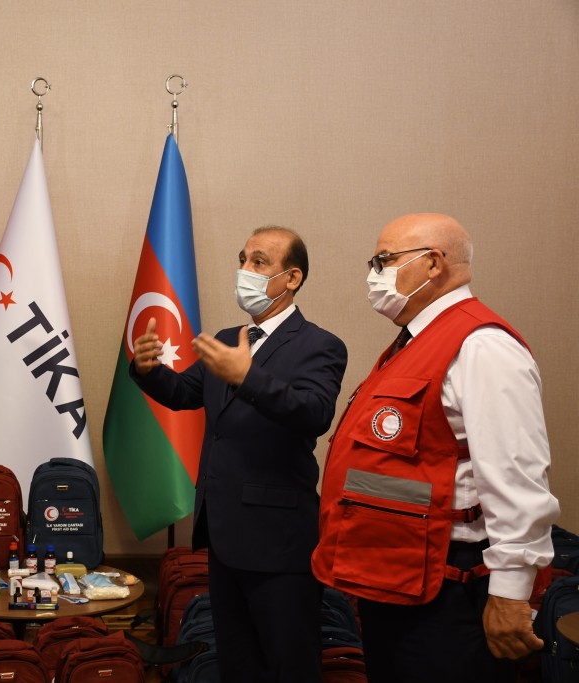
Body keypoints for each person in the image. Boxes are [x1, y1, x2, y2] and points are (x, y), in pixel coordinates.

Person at [312, 213, 559, 682]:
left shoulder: (482, 346)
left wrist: (510, 593)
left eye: (384, 260)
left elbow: (517, 477)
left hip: (449, 589)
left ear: (432, 263)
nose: (374, 275)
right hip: (396, 576)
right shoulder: (414, 343)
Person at [132, 226, 348, 682]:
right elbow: (183, 393)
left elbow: (313, 413)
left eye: (259, 262)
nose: (245, 270)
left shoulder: (320, 345)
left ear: (292, 278)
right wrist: (148, 370)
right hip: (224, 535)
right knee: (237, 665)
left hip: (279, 543)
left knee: (289, 666)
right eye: (243, 259)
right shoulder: (230, 338)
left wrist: (248, 377)